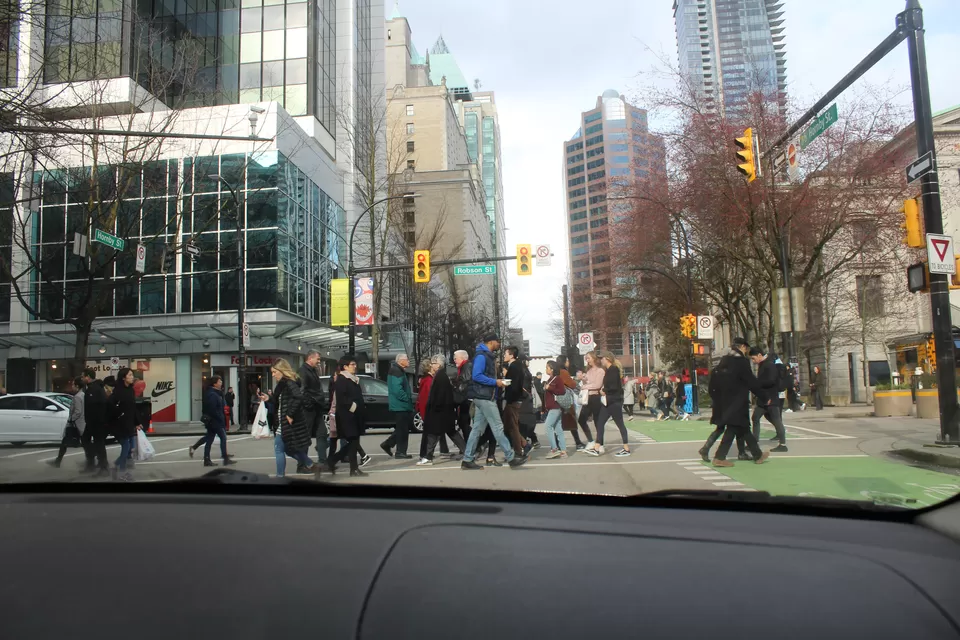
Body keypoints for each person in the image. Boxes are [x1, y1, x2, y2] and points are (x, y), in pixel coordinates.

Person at [461, 334, 526, 469]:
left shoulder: (484, 355)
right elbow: (477, 375)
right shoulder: (482, 356)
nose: (499, 344)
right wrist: (496, 382)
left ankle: (467, 459)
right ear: (491, 342)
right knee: (497, 427)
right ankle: (511, 457)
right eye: (497, 341)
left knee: (477, 429)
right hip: (485, 397)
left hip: (483, 396)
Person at [709, 337, 771, 467]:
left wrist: (716, 398)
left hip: (725, 401)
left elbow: (714, 381)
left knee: (744, 428)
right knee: (732, 428)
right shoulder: (740, 362)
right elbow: (751, 382)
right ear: (742, 347)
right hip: (737, 401)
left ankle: (757, 455)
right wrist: (764, 396)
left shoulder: (724, 361)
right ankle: (719, 457)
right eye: (746, 348)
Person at [270, 359, 319, 476]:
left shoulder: (289, 383)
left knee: (279, 449)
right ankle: (311, 464)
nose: (273, 375)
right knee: (289, 449)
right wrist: (268, 399)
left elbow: (298, 397)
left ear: (282, 371)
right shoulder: (282, 384)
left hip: (286, 422)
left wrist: (290, 414)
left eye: (274, 372)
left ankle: (280, 476)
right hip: (284, 421)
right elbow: (281, 401)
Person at [419, 355, 467, 465]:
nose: (431, 365)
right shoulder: (442, 375)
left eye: (433, 363)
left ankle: (428, 457)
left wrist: (434, 409)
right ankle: (467, 452)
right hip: (445, 412)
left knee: (433, 434)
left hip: (440, 412)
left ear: (438, 365)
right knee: (451, 432)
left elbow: (439, 396)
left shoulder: (440, 377)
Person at [584, 352, 631, 457]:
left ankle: (626, 448)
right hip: (607, 402)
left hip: (614, 402)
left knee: (620, 424)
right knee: (600, 423)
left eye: (602, 358)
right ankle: (597, 447)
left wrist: (604, 390)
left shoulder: (613, 370)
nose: (601, 360)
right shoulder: (608, 370)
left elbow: (614, 386)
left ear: (607, 359)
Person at [328, 356, 367, 476]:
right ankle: (332, 462)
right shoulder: (342, 380)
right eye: (352, 364)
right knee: (352, 443)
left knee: (353, 443)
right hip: (347, 417)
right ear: (345, 367)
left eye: (355, 364)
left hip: (354, 417)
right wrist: (354, 406)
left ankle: (352, 468)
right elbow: (342, 399)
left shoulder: (353, 379)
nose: (355, 367)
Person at [750, 347, 788, 452]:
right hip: (764, 398)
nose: (753, 361)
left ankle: (783, 444)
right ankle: (754, 442)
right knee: (756, 418)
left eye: (753, 358)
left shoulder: (769, 365)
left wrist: (758, 383)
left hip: (770, 398)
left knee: (776, 420)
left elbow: (772, 381)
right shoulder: (763, 364)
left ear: (759, 355)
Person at [110, 368, 144, 481]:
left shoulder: (130, 390)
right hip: (120, 424)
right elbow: (111, 406)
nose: (132, 377)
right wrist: (120, 414)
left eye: (132, 375)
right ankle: (120, 469)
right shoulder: (117, 391)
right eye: (130, 375)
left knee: (130, 448)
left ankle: (119, 467)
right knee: (126, 446)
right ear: (124, 377)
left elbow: (133, 408)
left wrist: (137, 422)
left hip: (129, 423)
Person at [298, 350, 328, 469]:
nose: (319, 362)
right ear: (310, 358)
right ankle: (302, 464)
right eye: (318, 359)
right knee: (305, 437)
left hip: (316, 407)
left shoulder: (313, 370)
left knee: (322, 434)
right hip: (309, 409)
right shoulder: (303, 371)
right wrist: (308, 404)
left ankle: (323, 461)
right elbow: (302, 390)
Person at [382, 353, 414, 459]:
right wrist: (407, 398)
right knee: (403, 430)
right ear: (400, 361)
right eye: (407, 359)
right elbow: (397, 390)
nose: (408, 361)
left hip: (400, 404)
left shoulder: (397, 370)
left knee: (402, 428)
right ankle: (400, 452)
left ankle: (388, 444)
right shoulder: (396, 371)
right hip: (400, 405)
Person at [199, 376, 235, 467]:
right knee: (223, 438)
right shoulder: (212, 394)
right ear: (214, 383)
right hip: (215, 421)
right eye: (219, 381)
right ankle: (225, 458)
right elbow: (213, 409)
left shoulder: (215, 393)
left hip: (213, 421)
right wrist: (220, 418)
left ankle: (207, 459)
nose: (221, 382)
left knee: (210, 439)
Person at [49, 377, 85, 468]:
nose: (72, 386)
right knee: (84, 443)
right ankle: (58, 461)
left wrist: (71, 419)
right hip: (82, 424)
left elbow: (78, 411)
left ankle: (93, 461)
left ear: (77, 386)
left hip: (76, 425)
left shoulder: (77, 397)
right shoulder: (83, 395)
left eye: (73, 384)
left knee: (65, 443)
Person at [81, 368, 109, 476]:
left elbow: (99, 406)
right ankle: (92, 462)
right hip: (91, 422)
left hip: (96, 422)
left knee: (99, 443)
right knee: (85, 439)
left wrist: (100, 420)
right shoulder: (91, 389)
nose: (82, 378)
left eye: (83, 376)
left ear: (88, 377)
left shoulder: (95, 389)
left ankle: (103, 466)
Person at [500, 346, 529, 455]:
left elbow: (513, 384)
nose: (504, 355)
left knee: (512, 427)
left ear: (511, 355)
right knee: (508, 425)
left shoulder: (514, 367)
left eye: (506, 353)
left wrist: (499, 383)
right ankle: (524, 445)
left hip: (513, 400)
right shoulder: (516, 366)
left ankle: (518, 451)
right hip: (513, 399)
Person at [542, 360, 569, 459]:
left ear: (552, 369)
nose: (546, 369)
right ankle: (563, 451)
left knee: (547, 426)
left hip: (555, 406)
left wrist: (550, 388)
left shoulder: (557, 379)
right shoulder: (550, 379)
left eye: (547, 367)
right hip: (552, 407)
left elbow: (561, 391)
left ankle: (554, 449)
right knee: (558, 429)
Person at [577, 351, 603, 445]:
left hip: (596, 397)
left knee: (597, 421)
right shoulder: (588, 371)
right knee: (581, 419)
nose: (587, 360)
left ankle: (600, 443)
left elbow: (597, 385)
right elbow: (586, 384)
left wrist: (585, 386)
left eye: (588, 358)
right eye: (586, 358)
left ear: (594, 358)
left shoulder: (600, 371)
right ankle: (591, 441)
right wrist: (583, 380)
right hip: (587, 397)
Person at [451, 350, 474, 444]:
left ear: (463, 358)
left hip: (467, 398)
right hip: (466, 398)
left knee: (463, 422)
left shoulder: (466, 366)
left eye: (456, 358)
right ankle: (469, 444)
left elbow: (465, 382)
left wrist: (455, 385)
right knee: (463, 422)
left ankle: (472, 444)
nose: (454, 360)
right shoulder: (464, 367)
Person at [519, 359, 539, 452]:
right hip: (527, 398)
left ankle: (524, 445)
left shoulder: (524, 371)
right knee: (525, 421)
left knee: (523, 422)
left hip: (524, 399)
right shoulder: (525, 371)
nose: (528, 361)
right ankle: (528, 442)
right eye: (526, 360)